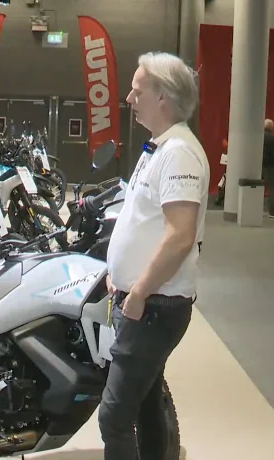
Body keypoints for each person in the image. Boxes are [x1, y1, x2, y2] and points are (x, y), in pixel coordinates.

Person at [100, 52, 209, 460]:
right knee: (146, 402)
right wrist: (119, 272)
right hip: (145, 301)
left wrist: (140, 290)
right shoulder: (159, 148)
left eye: (137, 90)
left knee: (114, 416)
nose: (129, 98)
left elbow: (180, 237)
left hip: (154, 307)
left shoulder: (179, 153)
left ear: (162, 96)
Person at [262, 119, 274, 218]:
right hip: (270, 166)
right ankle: (272, 212)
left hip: (260, 164)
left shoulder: (261, 136)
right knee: (271, 189)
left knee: (255, 187)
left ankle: (253, 209)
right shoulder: (273, 138)